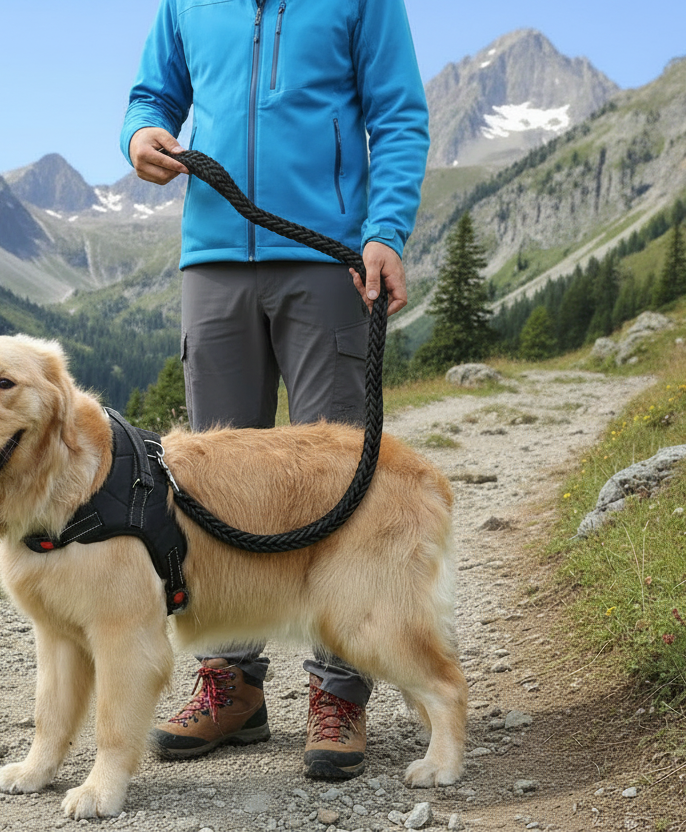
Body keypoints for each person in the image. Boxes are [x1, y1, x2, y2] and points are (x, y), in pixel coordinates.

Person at [120, 0, 429, 780]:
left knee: (338, 475)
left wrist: (385, 230)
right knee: (210, 481)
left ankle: (340, 690)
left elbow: (398, 113)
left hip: (326, 257)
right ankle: (230, 685)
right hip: (212, 260)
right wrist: (139, 136)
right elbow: (153, 95)